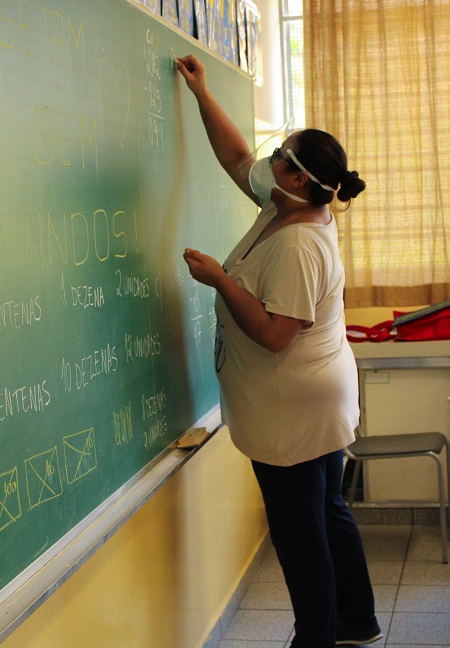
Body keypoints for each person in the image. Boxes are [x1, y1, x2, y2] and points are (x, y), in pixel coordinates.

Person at [175, 54, 381, 647]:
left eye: (281, 155)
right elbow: (238, 159)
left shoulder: (298, 244)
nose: (269, 159)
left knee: (299, 531)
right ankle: (357, 619)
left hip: (294, 405)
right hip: (313, 396)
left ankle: (314, 636)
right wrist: (203, 94)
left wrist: (221, 280)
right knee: (327, 511)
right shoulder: (289, 202)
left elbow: (274, 333)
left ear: (296, 177)